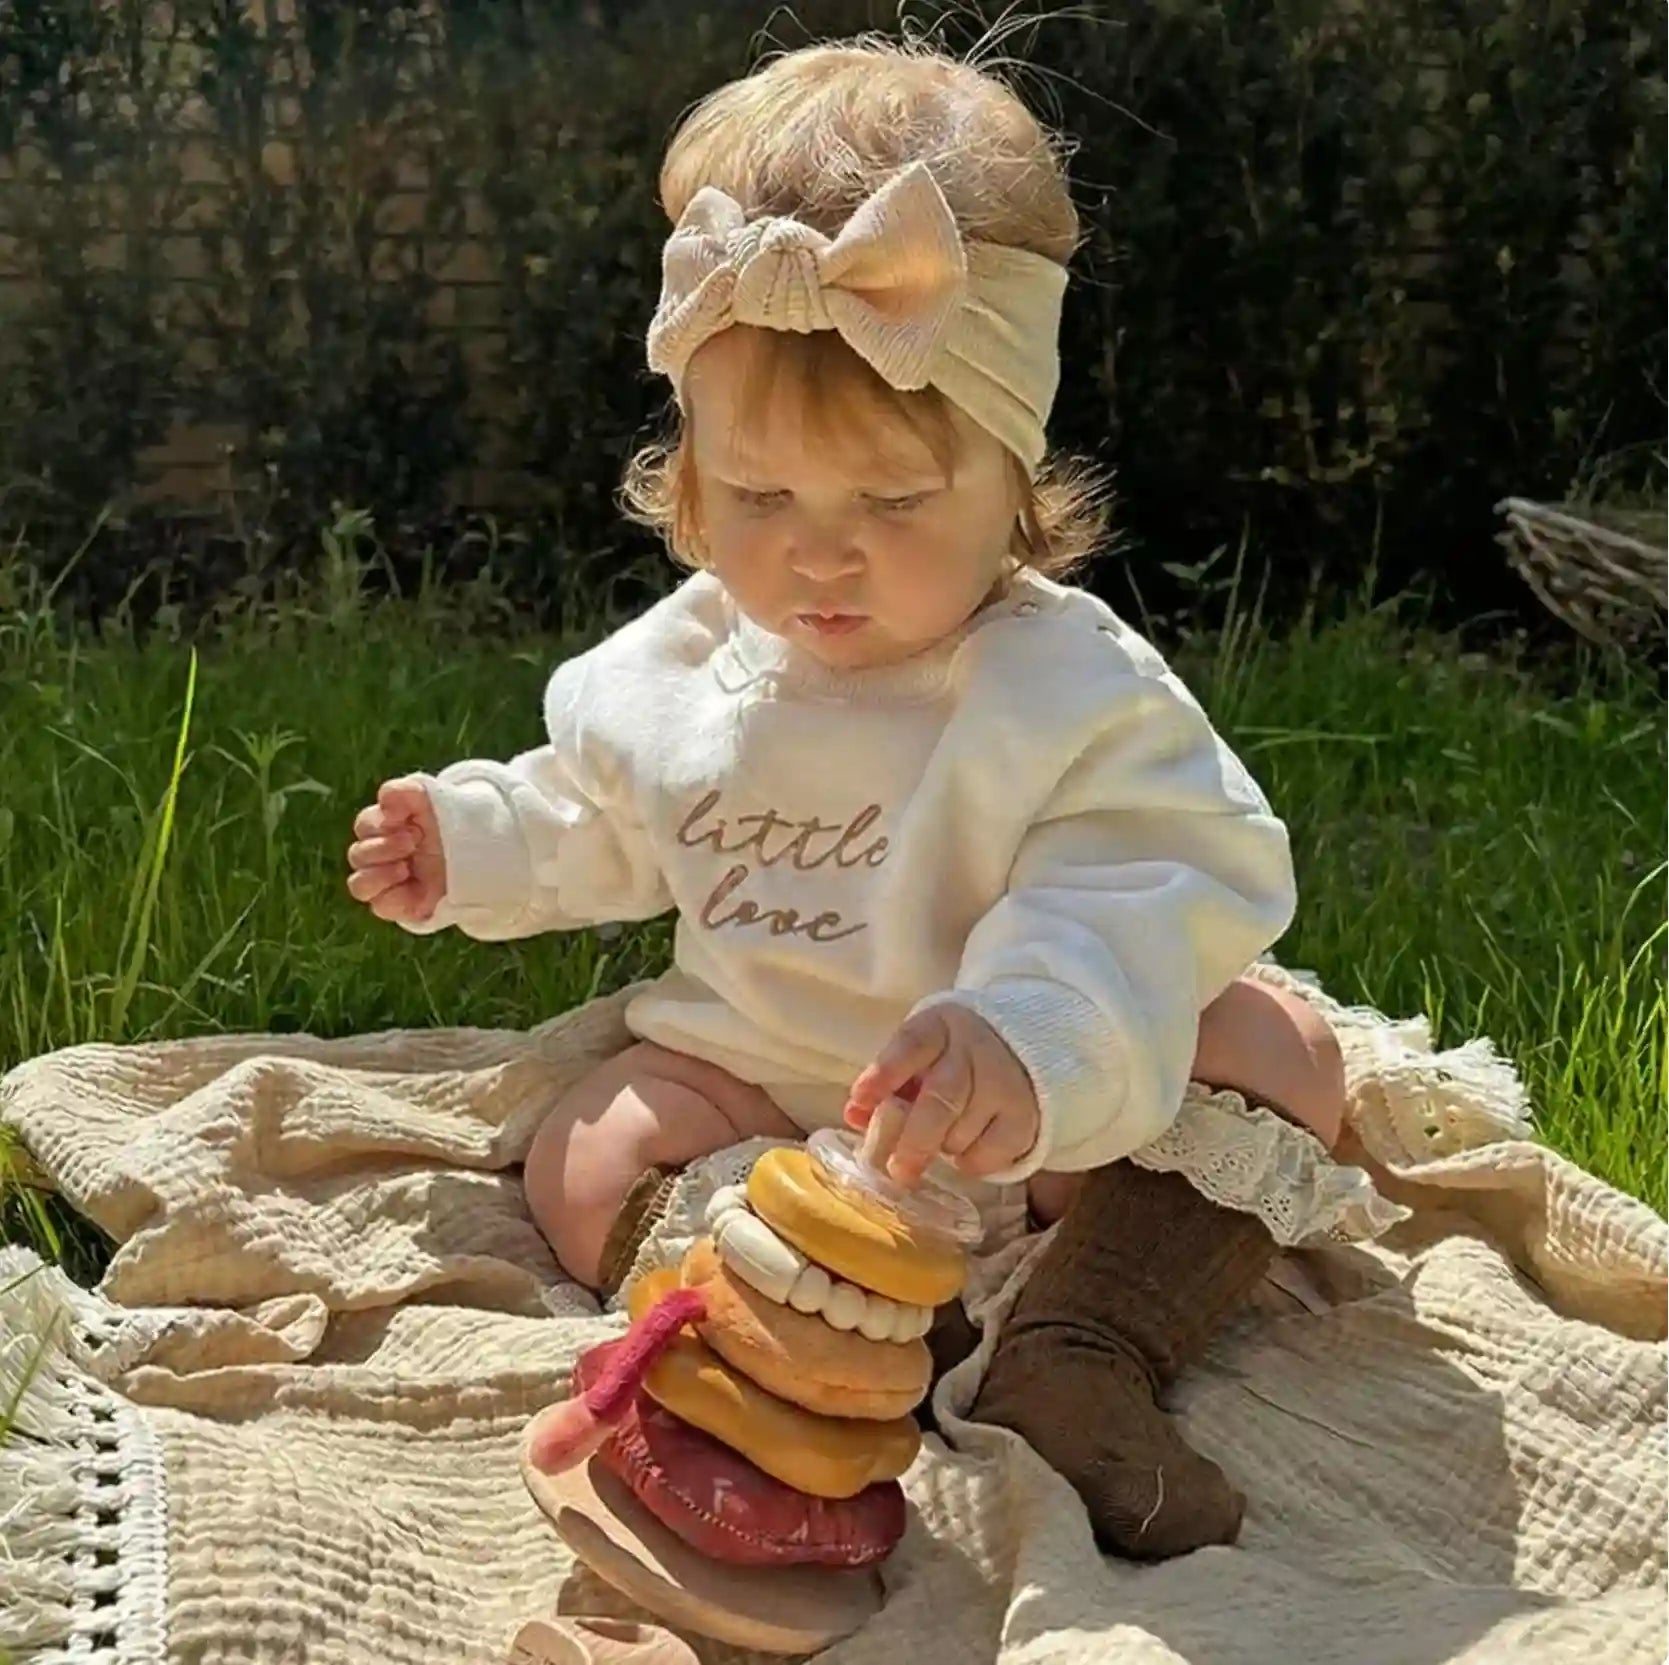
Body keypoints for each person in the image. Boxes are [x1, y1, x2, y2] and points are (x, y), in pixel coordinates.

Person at [346, 38, 1346, 1560]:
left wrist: (1023, 1035)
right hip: (762, 1092)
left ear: (1009, 478)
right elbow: (602, 810)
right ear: (688, 483)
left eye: (890, 503)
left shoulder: (1062, 689)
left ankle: (1080, 1343)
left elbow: (1141, 882)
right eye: (757, 500)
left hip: (1037, 1120)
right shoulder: (680, 663)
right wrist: (474, 837)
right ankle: (798, 1332)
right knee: (587, 1144)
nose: (820, 556)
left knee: (1274, 1050)